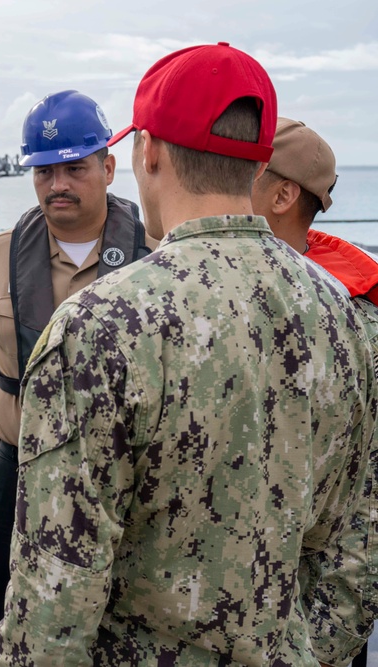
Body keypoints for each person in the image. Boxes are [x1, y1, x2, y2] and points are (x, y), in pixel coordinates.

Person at [0, 43, 376, 666]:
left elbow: (55, 592)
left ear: (148, 152)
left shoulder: (100, 325)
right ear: (256, 164)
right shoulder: (343, 312)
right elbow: (357, 540)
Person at [0, 89, 155, 637]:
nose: (57, 183)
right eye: (43, 171)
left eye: (74, 167)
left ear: (109, 168)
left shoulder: (152, 256)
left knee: (118, 630)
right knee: (11, 626)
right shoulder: (0, 255)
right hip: (19, 473)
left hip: (122, 481)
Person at [251, 118, 378, 667]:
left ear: (283, 194)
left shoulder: (357, 320)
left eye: (242, 172)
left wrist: (318, 649)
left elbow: (366, 510)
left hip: (308, 630)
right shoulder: (224, 296)